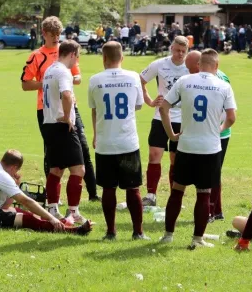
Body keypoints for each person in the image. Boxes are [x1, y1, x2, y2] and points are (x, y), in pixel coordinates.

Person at [159, 49, 237, 249]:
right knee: (204, 193)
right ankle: (197, 239)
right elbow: (231, 118)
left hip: (186, 145)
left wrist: (171, 135)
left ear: (199, 64)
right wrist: (219, 130)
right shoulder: (223, 86)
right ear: (216, 66)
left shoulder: (184, 81)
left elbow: (163, 108)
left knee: (177, 191)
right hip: (209, 148)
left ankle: (168, 235)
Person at [20, 16, 99, 201]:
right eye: (52, 34)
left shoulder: (65, 52)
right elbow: (25, 84)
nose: (56, 38)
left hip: (70, 107)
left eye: (58, 34)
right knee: (51, 153)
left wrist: (66, 81)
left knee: (83, 148)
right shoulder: (36, 56)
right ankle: (51, 197)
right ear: (44, 34)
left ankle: (93, 193)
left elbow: (78, 78)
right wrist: (48, 83)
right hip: (46, 109)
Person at [88, 42, 149, 241]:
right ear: (122, 58)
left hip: (105, 142)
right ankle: (138, 232)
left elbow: (94, 108)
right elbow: (139, 104)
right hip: (128, 142)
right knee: (133, 188)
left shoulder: (95, 80)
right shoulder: (133, 77)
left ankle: (111, 231)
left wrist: (96, 134)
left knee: (108, 188)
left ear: (104, 58)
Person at [0, 149, 92, 235]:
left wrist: (16, 185)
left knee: (22, 213)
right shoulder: (2, 175)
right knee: (26, 218)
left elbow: (6, 207)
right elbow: (26, 201)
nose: (15, 174)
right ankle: (72, 231)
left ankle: (62, 223)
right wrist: (52, 218)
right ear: (14, 167)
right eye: (16, 171)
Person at [139, 36, 189, 207]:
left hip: (182, 119)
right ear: (171, 48)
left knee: (176, 159)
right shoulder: (159, 64)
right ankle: (151, 195)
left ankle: (175, 196)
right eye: (177, 50)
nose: (180, 54)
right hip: (161, 116)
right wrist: (150, 101)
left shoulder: (190, 66)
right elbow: (141, 81)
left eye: (183, 51)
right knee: (154, 155)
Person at [41, 40, 87, 224]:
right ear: (73, 54)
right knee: (78, 169)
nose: (78, 60)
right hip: (62, 125)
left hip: (49, 123)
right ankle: (73, 211)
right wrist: (68, 117)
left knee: (56, 169)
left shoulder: (50, 69)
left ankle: (52, 208)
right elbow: (66, 95)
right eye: (78, 56)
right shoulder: (63, 71)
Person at [184, 51, 231, 222]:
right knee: (212, 172)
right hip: (207, 131)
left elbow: (228, 110)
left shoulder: (220, 79)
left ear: (200, 64)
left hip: (217, 132)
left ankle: (212, 210)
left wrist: (219, 128)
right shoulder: (203, 78)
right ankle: (215, 210)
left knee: (213, 173)